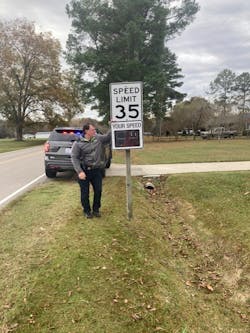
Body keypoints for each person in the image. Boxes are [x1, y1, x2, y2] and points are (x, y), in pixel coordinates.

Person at [71, 123, 111, 218]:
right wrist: (79, 171)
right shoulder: (78, 143)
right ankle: (87, 211)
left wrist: (111, 126)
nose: (95, 131)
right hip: (84, 171)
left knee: (98, 190)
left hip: (96, 171)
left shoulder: (98, 138)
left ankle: (96, 210)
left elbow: (108, 138)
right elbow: (74, 157)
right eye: (93, 130)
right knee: (85, 193)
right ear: (86, 131)